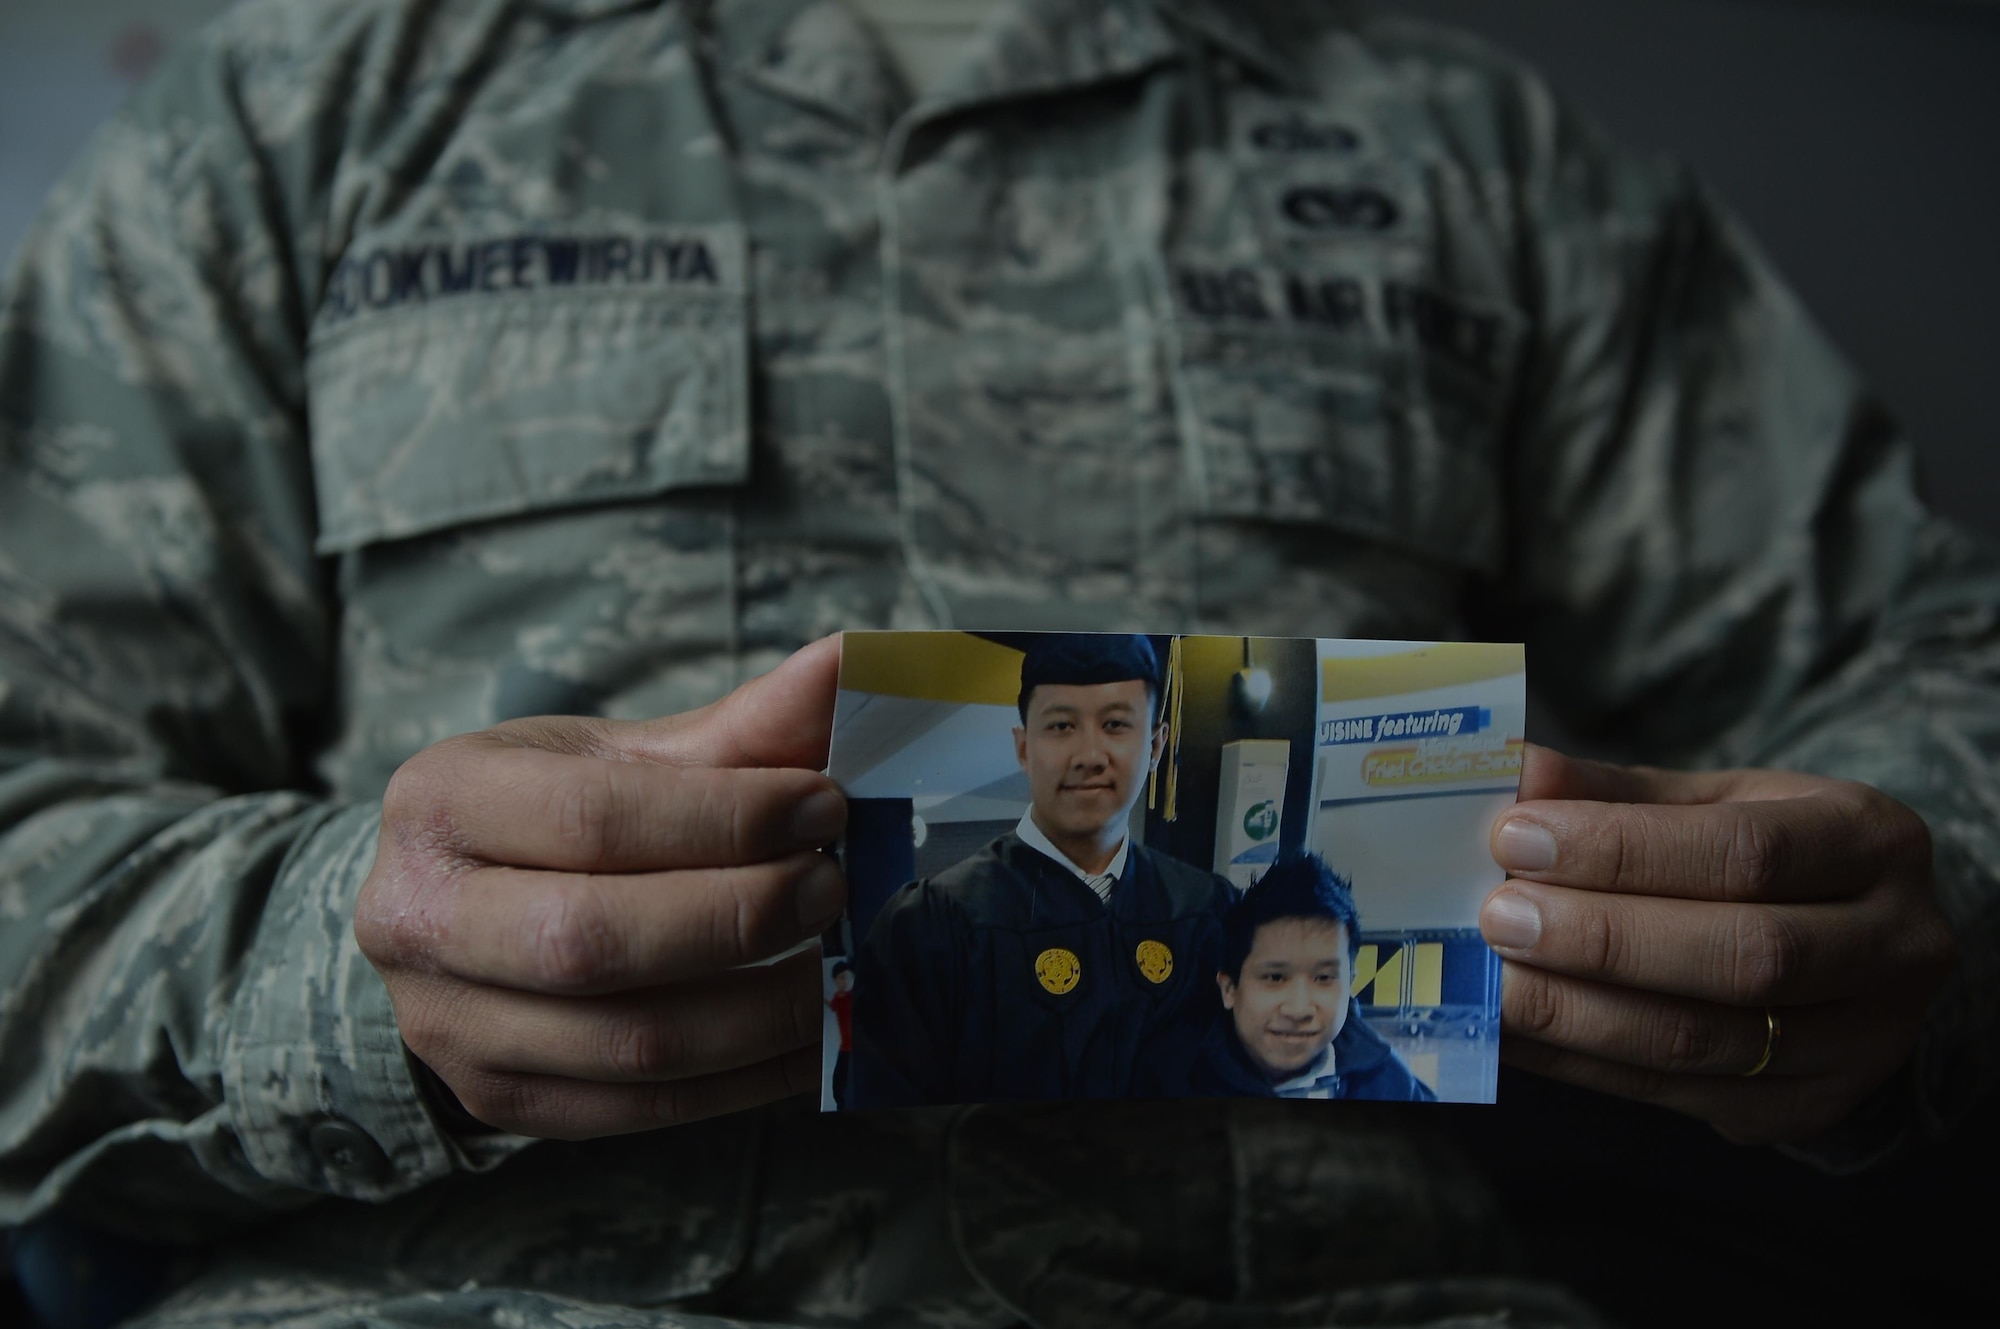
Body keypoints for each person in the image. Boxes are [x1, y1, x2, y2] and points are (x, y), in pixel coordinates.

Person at [0, 0, 1985, 1324]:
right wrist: (352, 963)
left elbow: (1931, 676)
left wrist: (1900, 915)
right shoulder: (299, 120)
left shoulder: (1473, 158)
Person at [847, 633, 1234, 1107]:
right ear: (1024, 747)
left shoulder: (1206, 911)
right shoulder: (931, 924)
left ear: (1156, 745)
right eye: (1061, 726)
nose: (1089, 756)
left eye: (1115, 724)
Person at [1191, 854, 1434, 1103]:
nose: (1298, 1010)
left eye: (1323, 978)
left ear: (1349, 983)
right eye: (1275, 977)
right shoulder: (1180, 1076)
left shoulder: (1388, 1084)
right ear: (1229, 988)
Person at [825, 961, 855, 1108]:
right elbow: (832, 1006)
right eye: (841, 977)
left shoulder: (853, 996)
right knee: (838, 1083)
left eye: (847, 977)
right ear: (836, 979)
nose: (845, 981)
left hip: (856, 1047)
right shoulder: (837, 998)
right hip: (845, 1048)